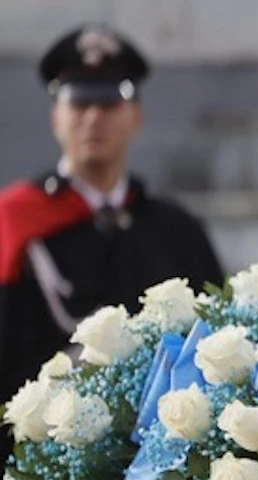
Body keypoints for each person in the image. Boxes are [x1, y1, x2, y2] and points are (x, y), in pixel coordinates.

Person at [0, 24, 224, 443]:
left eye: (109, 101)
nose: (93, 117)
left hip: (161, 454)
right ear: (55, 117)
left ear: (136, 116)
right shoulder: (14, 222)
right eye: (78, 101)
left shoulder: (176, 229)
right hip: (45, 454)